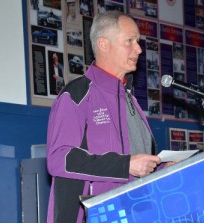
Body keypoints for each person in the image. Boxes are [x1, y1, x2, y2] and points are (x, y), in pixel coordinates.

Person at [46, 11, 162, 223]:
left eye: (138, 41)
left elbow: (138, 162)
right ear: (103, 44)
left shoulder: (131, 101)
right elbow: (57, 159)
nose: (139, 49)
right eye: (130, 41)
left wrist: (164, 167)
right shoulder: (78, 94)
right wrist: (124, 165)